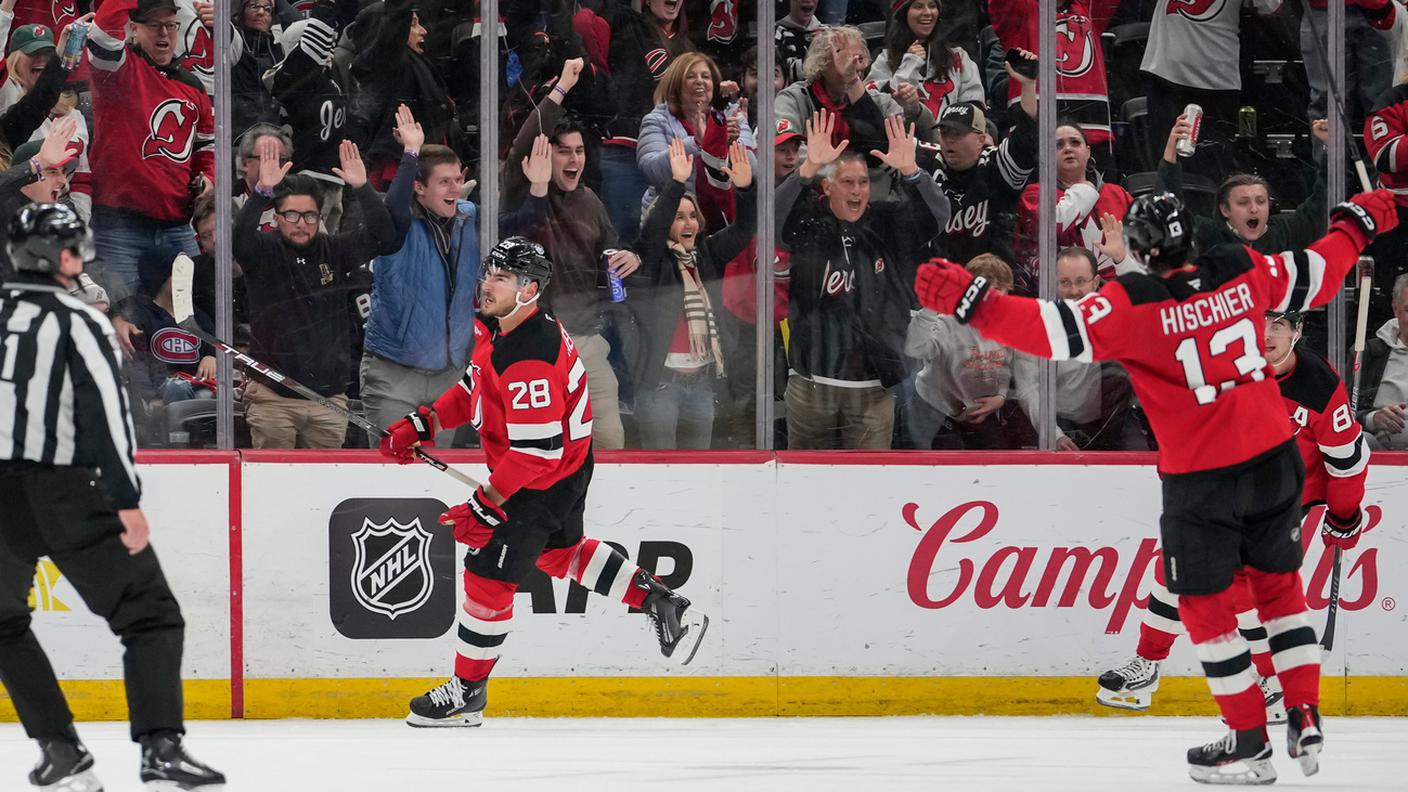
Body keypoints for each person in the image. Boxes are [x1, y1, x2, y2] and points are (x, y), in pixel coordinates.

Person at [912, 187, 1396, 782]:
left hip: (1203, 475)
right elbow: (1318, 271)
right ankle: (1303, 710)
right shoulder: (1238, 267)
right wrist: (1356, 224)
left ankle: (1249, 738)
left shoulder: (1132, 304)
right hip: (1275, 462)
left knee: (1204, 607)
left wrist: (973, 302)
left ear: (1138, 248)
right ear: (1191, 237)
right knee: (1279, 592)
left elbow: (1047, 328)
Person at [377, 237, 708, 727]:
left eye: (502, 278)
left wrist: (485, 506)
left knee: (486, 580)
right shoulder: (503, 329)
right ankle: (660, 599)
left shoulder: (530, 353)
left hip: (542, 479)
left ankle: (467, 694)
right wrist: (423, 422)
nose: (488, 284)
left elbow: (536, 452)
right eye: (488, 272)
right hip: (562, 472)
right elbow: (475, 387)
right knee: (558, 554)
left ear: (529, 289)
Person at [0, 203, 225, 790]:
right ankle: (160, 747)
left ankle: (58, 748)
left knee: (1, 622)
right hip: (63, 489)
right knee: (150, 616)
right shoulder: (79, 323)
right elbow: (107, 420)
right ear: (66, 256)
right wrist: (127, 501)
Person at [1095, 309, 1371, 723]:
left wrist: (1345, 514)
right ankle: (1147, 666)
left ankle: (1273, 684)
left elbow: (1347, 460)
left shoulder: (1317, 383)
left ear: (1297, 332)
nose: (1266, 334)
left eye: (1278, 324)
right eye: (1258, 322)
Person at [779, 109, 951, 450]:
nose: (857, 191)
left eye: (863, 182)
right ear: (827, 187)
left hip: (874, 387)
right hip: (812, 383)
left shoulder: (888, 222)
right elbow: (771, 217)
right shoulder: (809, 223)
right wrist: (806, 169)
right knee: (806, 483)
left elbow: (938, 217)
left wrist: (912, 172)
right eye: (847, 182)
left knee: (869, 487)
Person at [234, 136, 395, 449]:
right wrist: (261, 191)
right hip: (272, 398)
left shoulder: (334, 250)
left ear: (321, 217)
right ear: (277, 218)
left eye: (310, 216)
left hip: (328, 401)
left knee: (322, 496)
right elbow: (238, 238)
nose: (301, 224)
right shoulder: (263, 251)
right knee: (276, 489)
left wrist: (363, 188)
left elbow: (385, 237)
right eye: (291, 215)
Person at [362, 106, 479, 446]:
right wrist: (411, 152)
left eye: (458, 179)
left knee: (435, 475)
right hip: (394, 373)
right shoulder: (393, 225)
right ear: (418, 187)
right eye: (445, 181)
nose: (455, 189)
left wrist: (538, 187)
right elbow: (395, 207)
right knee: (393, 474)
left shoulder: (468, 217)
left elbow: (520, 221)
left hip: (450, 375)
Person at [85, 0, 215, 305]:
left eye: (171, 25)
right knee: (126, 320)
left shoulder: (192, 85)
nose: (165, 33)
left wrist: (208, 177)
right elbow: (104, 28)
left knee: (191, 313)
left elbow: (206, 146)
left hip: (176, 226)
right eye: (154, 25)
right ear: (133, 29)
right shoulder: (117, 68)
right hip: (120, 226)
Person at [630, 138, 756, 449]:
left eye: (692, 216)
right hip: (660, 387)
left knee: (697, 478)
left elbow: (743, 230)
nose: (688, 223)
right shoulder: (652, 262)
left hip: (701, 386)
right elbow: (653, 233)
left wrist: (745, 190)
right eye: (678, 216)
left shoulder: (708, 254)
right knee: (662, 476)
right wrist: (675, 184)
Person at [775, 25, 938, 200]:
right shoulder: (795, 99)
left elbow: (906, 149)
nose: (855, 64)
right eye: (845, 56)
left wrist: (915, 110)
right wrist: (842, 174)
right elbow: (785, 156)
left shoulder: (880, 102)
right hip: (812, 202)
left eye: (859, 57)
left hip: (876, 205)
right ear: (822, 62)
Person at [903, 254, 1039, 450]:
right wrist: (932, 306)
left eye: (998, 289)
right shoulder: (948, 322)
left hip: (981, 413)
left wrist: (1000, 397)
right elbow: (914, 348)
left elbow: (1006, 370)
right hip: (935, 412)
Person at [923, 49, 1038, 271]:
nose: (949, 141)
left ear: (981, 138)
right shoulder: (930, 162)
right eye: (945, 133)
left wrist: (1028, 87)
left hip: (995, 283)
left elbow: (1025, 139)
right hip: (942, 287)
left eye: (957, 134)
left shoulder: (995, 165)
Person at [865, 0, 983, 121]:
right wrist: (909, 65)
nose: (927, 12)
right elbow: (870, 104)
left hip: (950, 136)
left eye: (932, 6)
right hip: (901, 135)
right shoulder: (885, 59)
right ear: (903, 14)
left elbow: (974, 109)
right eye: (918, 6)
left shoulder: (959, 58)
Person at [1358, 273, 1408, 448]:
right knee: (1358, 441)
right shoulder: (1368, 353)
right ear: (1395, 308)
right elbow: (1343, 412)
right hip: (1380, 452)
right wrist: (1373, 419)